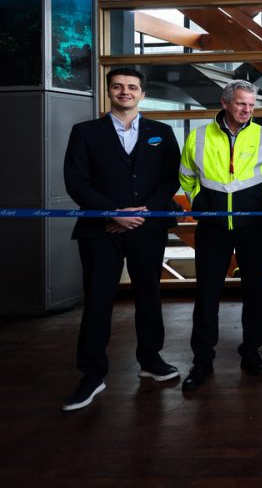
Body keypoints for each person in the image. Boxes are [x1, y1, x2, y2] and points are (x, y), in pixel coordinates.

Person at [61, 68, 181, 411]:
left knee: (149, 296)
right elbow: (76, 181)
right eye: (117, 86)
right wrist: (112, 213)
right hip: (100, 231)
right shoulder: (85, 132)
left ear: (142, 94)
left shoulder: (161, 132)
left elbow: (170, 179)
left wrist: (141, 214)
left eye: (131, 87)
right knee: (98, 301)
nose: (125, 92)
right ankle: (92, 374)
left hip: (147, 228)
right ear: (109, 91)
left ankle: (151, 360)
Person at [179, 79, 262, 391]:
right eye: (241, 103)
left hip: (253, 226)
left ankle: (251, 352)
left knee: (255, 291)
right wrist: (200, 202)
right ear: (225, 103)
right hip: (212, 227)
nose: (247, 109)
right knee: (207, 293)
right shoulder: (198, 136)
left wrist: (260, 205)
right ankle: (202, 359)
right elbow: (186, 176)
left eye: (251, 105)